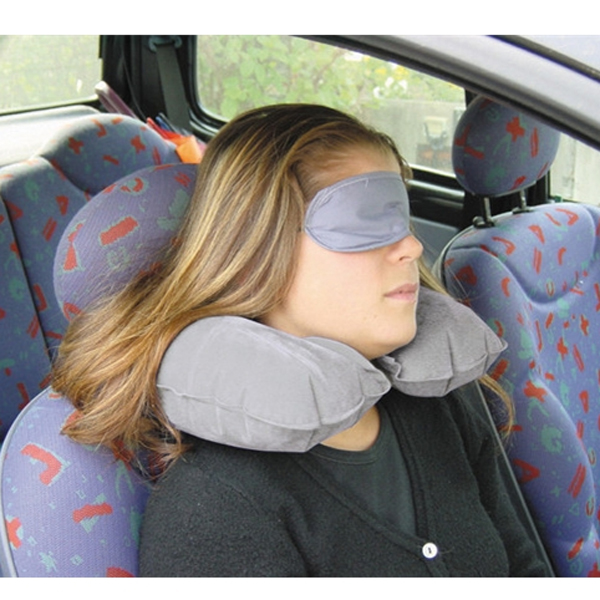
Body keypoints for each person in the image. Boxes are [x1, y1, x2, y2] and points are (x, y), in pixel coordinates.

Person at [52, 104, 550, 577]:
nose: (413, 246)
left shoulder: (444, 402)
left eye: (400, 215)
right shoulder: (217, 507)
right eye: (366, 220)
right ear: (257, 252)